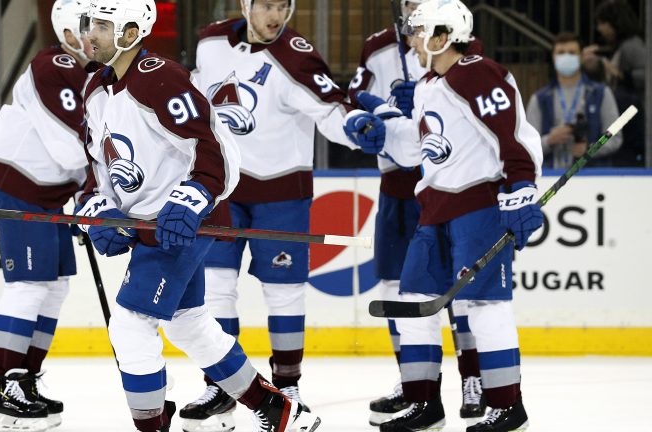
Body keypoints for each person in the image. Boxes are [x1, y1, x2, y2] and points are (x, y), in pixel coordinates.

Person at [76, 1, 322, 431]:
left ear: (131, 33)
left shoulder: (159, 78)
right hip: (147, 226)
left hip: (182, 224)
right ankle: (278, 408)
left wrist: (190, 198)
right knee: (190, 323)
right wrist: (99, 210)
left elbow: (216, 149)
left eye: (100, 25)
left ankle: (151, 425)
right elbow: (97, 169)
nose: (88, 34)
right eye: (88, 23)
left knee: (131, 327)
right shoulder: (95, 89)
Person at [182, 1, 379, 430]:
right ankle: (221, 386)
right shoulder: (211, 41)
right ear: (246, 5)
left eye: (283, 5)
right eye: (266, 5)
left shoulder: (297, 53)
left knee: (284, 292)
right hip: (222, 190)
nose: (276, 15)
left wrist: (357, 125)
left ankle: (287, 385)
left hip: (281, 194)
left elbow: (330, 107)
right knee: (215, 290)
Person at [350, 0, 543, 430]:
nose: (412, 40)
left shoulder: (476, 72)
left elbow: (512, 135)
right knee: (414, 300)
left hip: (477, 208)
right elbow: (424, 145)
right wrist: (384, 133)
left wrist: (522, 188)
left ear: (441, 37)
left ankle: (507, 406)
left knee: (485, 305)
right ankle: (424, 404)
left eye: (419, 32)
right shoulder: (428, 84)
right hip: (433, 207)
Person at [0, 1, 96, 431]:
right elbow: (71, 147)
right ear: (67, 30)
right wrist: (94, 185)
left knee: (55, 288)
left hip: (48, 196)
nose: (98, 33)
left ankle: (24, 380)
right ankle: (0, 386)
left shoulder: (91, 75)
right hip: (20, 189)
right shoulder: (56, 65)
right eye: (91, 26)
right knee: (28, 286)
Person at [526, 32, 622, 169]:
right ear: (553, 57)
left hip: (592, 178)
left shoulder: (601, 94)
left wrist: (590, 150)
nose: (566, 57)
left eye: (572, 53)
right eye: (561, 53)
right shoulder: (539, 99)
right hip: (551, 177)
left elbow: (615, 137)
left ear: (581, 57)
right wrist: (549, 140)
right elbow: (526, 146)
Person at [583, 0, 646, 166]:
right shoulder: (622, 46)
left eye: (603, 23)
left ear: (615, 22)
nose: (600, 29)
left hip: (632, 117)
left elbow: (646, 75)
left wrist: (618, 73)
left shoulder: (632, 45)